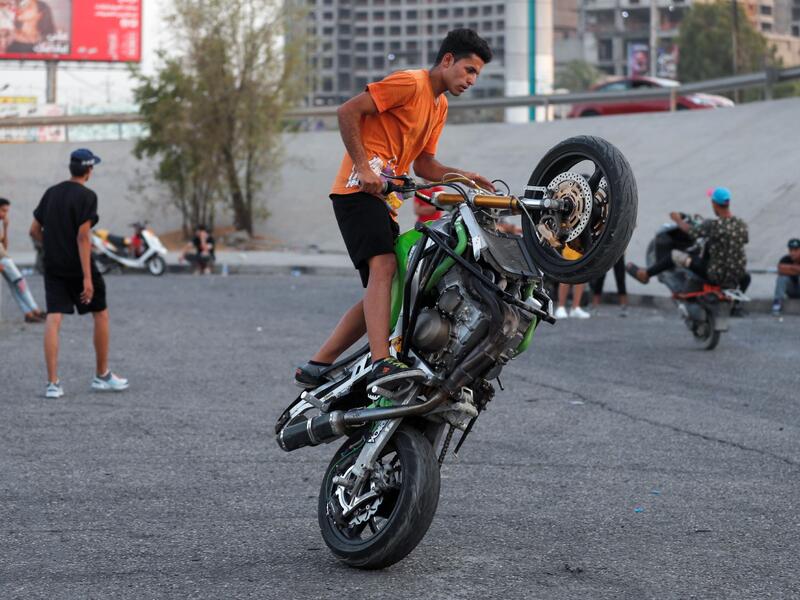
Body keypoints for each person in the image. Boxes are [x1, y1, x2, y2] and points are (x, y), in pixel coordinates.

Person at [295, 28, 495, 389]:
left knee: (389, 286)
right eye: (468, 70)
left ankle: (316, 365)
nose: (471, 80)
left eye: (476, 75)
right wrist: (362, 166)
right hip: (356, 191)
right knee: (384, 267)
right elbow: (347, 112)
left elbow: (426, 166)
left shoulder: (439, 106)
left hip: (384, 201)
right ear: (447, 60)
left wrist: (466, 177)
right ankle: (381, 361)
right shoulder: (410, 83)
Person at [30, 148, 128, 399]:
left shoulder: (51, 193)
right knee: (100, 314)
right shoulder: (87, 196)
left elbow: (34, 230)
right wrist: (86, 277)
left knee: (54, 318)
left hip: (53, 266)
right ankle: (102, 375)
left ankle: (53, 384)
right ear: (88, 170)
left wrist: (50, 247)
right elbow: (83, 237)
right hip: (78, 266)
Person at [627, 187, 748, 289]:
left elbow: (691, 232)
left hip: (715, 274)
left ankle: (645, 274)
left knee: (675, 255)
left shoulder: (713, 225)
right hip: (737, 274)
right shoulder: (741, 224)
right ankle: (735, 307)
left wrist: (677, 219)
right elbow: (741, 240)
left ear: (715, 204)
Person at [0, 197, 46, 322]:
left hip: (4, 259)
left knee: (15, 287)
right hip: (3, 261)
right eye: (3, 211)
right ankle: (34, 309)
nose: (5, 214)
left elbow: (4, 247)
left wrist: (5, 228)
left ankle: (28, 312)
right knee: (20, 284)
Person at [772, 238, 800, 315]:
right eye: (791, 250)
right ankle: (777, 304)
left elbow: (785, 269)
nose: (793, 253)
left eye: (796, 250)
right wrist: (796, 269)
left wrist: (790, 268)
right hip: (792, 290)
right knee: (782, 278)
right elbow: (780, 269)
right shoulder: (785, 259)